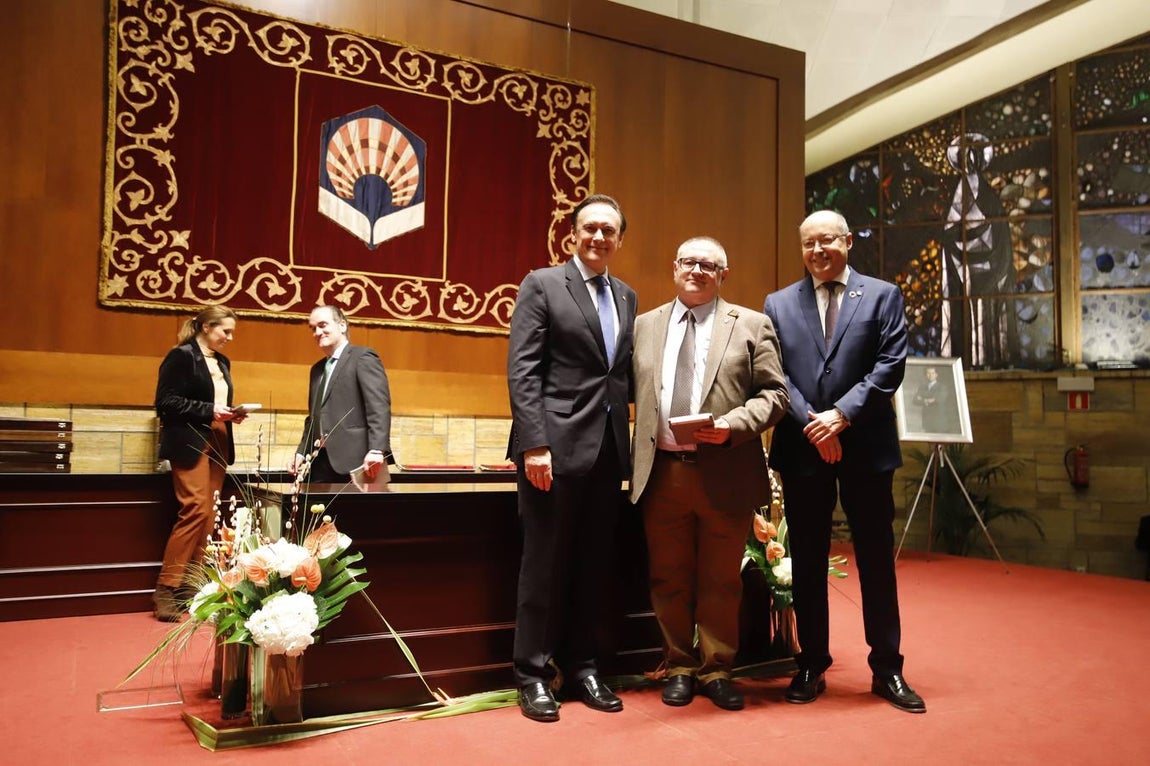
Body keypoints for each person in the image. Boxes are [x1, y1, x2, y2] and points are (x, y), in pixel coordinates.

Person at [763, 210, 926, 713]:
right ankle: (811, 662)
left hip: (866, 447)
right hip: (804, 444)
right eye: (808, 243)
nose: (818, 251)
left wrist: (842, 417)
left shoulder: (882, 295)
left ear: (848, 241)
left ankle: (888, 668)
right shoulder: (777, 302)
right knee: (808, 560)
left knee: (876, 560)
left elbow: (890, 366)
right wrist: (816, 423)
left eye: (827, 240)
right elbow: (775, 372)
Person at [631, 237, 789, 711]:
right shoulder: (643, 326)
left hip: (725, 471)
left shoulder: (752, 325)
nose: (696, 270)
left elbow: (775, 395)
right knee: (669, 577)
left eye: (708, 264)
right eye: (688, 262)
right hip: (663, 473)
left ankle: (718, 668)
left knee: (722, 580)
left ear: (724, 274)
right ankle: (679, 665)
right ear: (674, 267)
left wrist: (732, 425)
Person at [505, 193, 637, 722]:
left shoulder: (626, 295)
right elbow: (523, 370)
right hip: (552, 451)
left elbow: (618, 375)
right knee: (544, 565)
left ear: (620, 239)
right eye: (590, 228)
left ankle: (584, 667)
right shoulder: (542, 284)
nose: (599, 237)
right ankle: (532, 675)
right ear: (573, 233)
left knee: (593, 565)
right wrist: (534, 443)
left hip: (608, 450)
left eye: (609, 230)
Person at [153, 306, 246, 622]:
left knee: (210, 517)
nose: (230, 338)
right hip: (190, 442)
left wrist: (231, 413)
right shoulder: (181, 356)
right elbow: (165, 402)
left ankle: (191, 588)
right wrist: (209, 410)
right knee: (194, 509)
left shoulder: (222, 362)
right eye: (226, 331)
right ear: (206, 327)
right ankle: (166, 588)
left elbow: (214, 403)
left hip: (218, 439)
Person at [290, 305, 392, 484]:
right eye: (313, 328)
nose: (317, 332)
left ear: (342, 325)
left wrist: (377, 450)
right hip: (319, 462)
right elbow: (313, 418)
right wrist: (301, 451)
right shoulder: (317, 369)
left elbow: (378, 407)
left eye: (322, 325)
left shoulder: (362, 357)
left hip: (358, 461)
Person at [912, 365, 956, 434]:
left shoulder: (942, 387)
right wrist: (927, 400)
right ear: (925, 375)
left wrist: (923, 399)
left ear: (936, 375)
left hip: (939, 421)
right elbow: (915, 400)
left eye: (932, 373)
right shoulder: (922, 387)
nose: (930, 375)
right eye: (928, 373)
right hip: (927, 421)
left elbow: (940, 399)